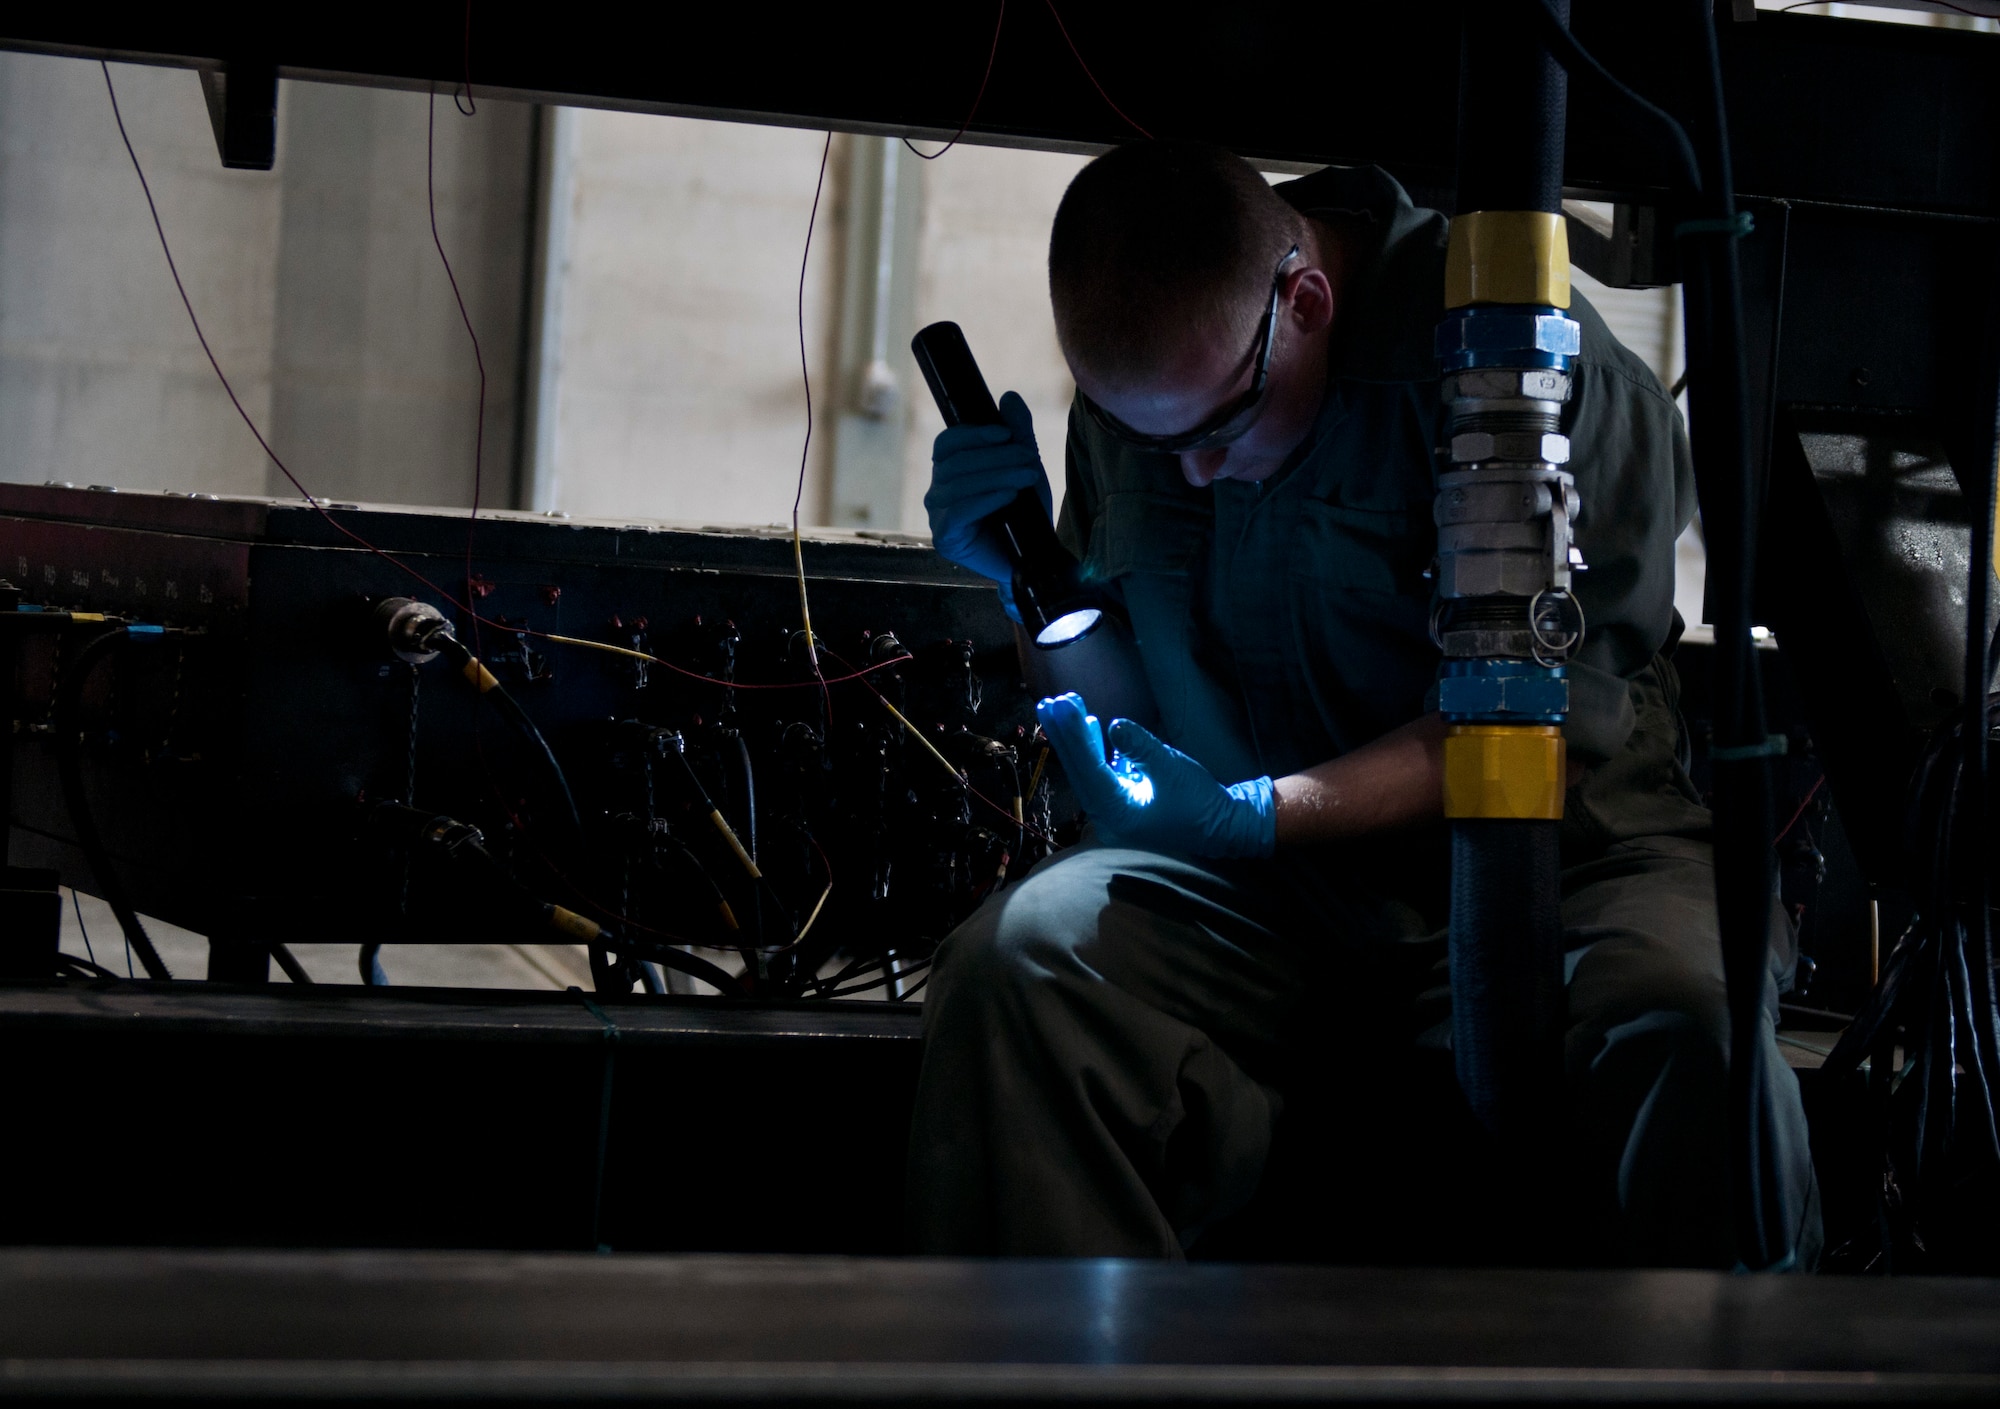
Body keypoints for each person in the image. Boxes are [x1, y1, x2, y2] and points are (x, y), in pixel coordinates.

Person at [908, 139, 1818, 1266]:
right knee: (1021, 965)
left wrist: (1258, 808)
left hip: (1565, 862)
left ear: (1306, 300)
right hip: (1267, 889)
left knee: (1689, 1024)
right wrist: (1024, 582)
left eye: (1212, 431)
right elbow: (1132, 705)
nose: (1186, 471)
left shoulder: (1544, 370)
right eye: (1146, 438)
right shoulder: (1164, 387)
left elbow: (1539, 735)